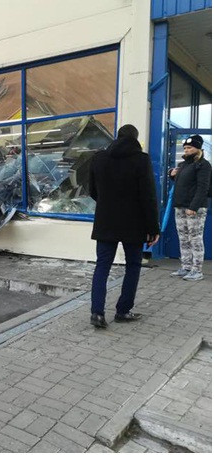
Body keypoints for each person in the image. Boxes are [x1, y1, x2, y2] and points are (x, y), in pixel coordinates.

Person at [88, 124, 160, 329]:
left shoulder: (98, 158)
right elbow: (148, 196)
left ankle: (97, 313)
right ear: (136, 139)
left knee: (102, 266)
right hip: (134, 224)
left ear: (117, 137)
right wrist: (153, 228)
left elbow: (93, 191)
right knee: (133, 267)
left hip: (106, 221)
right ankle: (122, 311)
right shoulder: (141, 159)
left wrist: (107, 204)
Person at [169, 135, 212, 281]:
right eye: (185, 148)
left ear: (198, 148)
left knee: (195, 239)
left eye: (190, 148)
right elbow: (184, 183)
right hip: (180, 207)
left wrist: (193, 206)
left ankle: (197, 270)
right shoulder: (183, 165)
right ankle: (186, 267)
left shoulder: (203, 165)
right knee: (183, 239)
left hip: (195, 208)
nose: (186, 150)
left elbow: (203, 188)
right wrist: (172, 175)